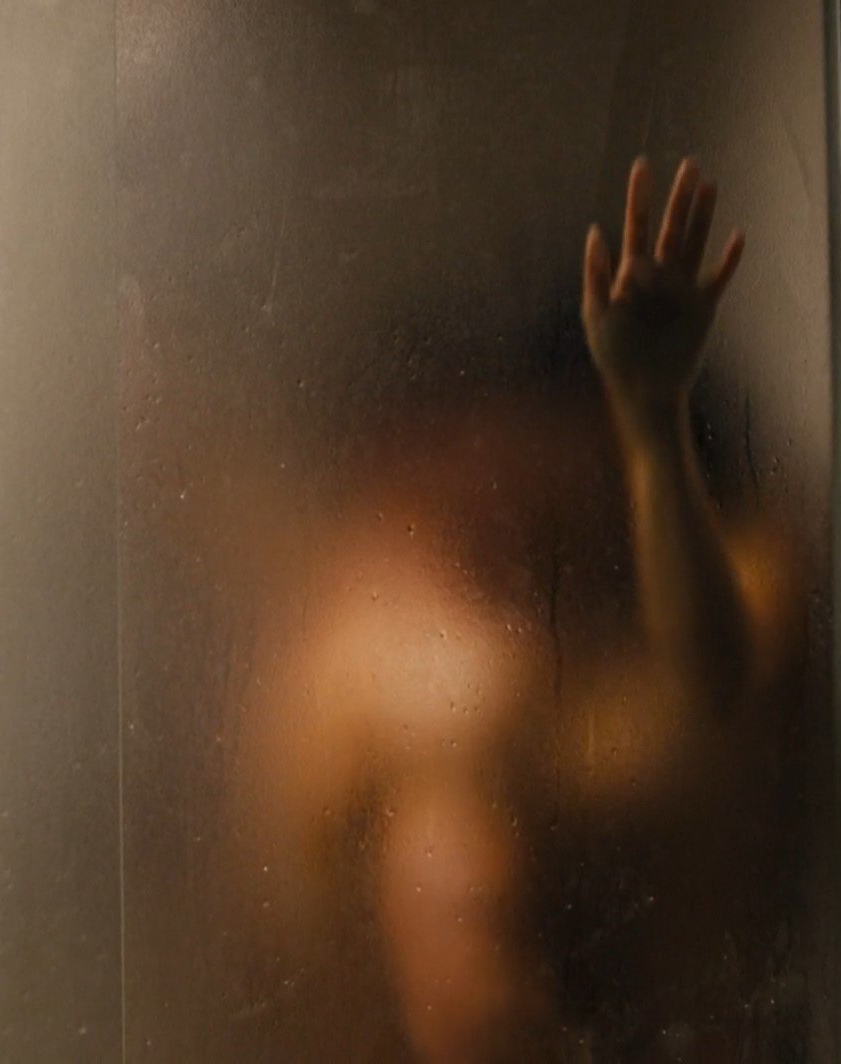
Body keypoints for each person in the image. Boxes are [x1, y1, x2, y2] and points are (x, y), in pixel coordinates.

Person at [233, 157, 803, 1061]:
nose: (502, 543)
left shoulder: (718, 578)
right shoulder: (369, 635)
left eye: (541, 537)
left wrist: (652, 429)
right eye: (472, 533)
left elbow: (719, 691)